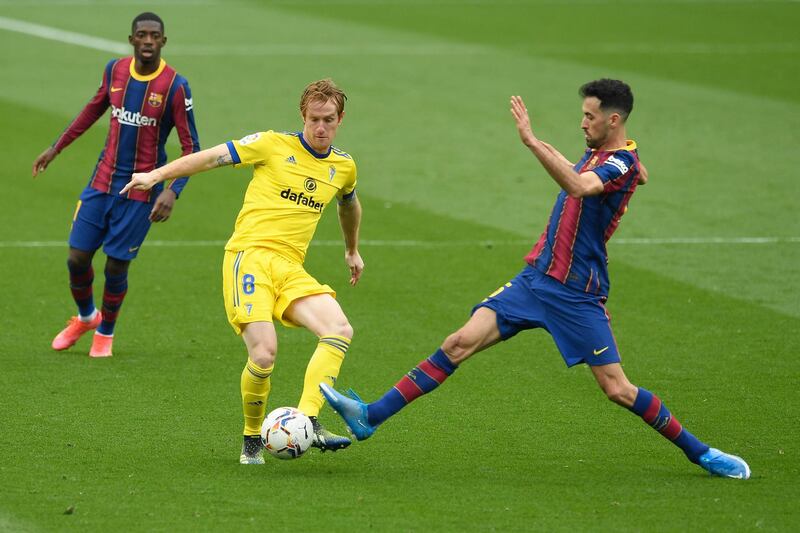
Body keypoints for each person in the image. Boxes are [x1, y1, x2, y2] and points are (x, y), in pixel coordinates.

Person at [320, 79, 751, 480]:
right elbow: (612, 171)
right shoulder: (610, 155)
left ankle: (702, 453)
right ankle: (370, 416)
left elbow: (581, 187)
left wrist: (530, 142)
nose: (582, 123)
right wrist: (550, 145)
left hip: (575, 295)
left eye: (590, 116)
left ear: (613, 121)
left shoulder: (618, 160)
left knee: (617, 388)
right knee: (457, 343)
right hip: (534, 280)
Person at [121, 78, 363, 463]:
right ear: (302, 115)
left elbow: (349, 204)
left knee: (339, 330)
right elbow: (209, 157)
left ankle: (310, 419)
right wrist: (156, 176)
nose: (321, 128)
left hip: (289, 267)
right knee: (265, 354)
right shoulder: (270, 144)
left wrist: (352, 249)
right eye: (314, 119)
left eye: (329, 120)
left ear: (341, 119)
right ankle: (252, 438)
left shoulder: (343, 166)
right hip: (248, 258)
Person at [32, 12, 200, 358]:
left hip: (141, 191)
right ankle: (86, 316)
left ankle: (105, 334)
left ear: (163, 42)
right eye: (142, 35)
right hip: (101, 181)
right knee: (77, 258)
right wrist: (56, 147)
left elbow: (191, 148)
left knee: (115, 266)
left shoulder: (174, 86)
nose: (149, 41)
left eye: (155, 36)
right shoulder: (115, 71)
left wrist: (172, 189)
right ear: (132, 39)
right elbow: (92, 109)